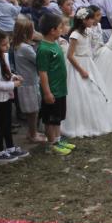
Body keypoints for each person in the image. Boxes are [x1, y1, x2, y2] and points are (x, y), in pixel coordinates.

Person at [60, 7, 112, 137]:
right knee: (80, 92)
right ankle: (80, 124)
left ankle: (95, 120)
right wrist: (81, 70)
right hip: (78, 64)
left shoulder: (88, 32)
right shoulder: (75, 35)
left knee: (93, 91)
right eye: (90, 18)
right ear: (83, 20)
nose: (93, 21)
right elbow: (70, 55)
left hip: (88, 62)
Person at [0, 31, 28, 163]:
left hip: (8, 96)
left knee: (7, 123)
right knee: (1, 125)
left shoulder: (4, 57)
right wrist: (13, 84)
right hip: (0, 98)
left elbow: (6, 73)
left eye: (8, 43)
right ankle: (0, 150)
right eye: (4, 45)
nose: (7, 46)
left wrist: (14, 76)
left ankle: (10, 147)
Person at [37, 12, 74, 156]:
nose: (62, 30)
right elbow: (43, 72)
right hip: (52, 89)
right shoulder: (44, 49)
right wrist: (47, 92)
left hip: (60, 88)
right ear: (52, 30)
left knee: (58, 116)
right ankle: (52, 143)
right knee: (50, 118)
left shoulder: (55, 43)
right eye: (60, 28)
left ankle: (58, 140)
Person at [11, 16, 45, 143]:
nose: (35, 33)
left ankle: (32, 132)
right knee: (33, 111)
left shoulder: (19, 45)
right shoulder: (25, 48)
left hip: (29, 82)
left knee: (33, 110)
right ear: (26, 34)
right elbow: (38, 60)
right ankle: (32, 134)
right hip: (29, 83)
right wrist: (40, 42)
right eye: (33, 31)